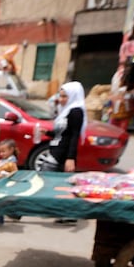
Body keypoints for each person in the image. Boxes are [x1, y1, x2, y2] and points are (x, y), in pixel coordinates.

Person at [40, 81, 87, 224]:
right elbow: (62, 133)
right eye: (60, 96)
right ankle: (64, 213)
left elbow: (74, 136)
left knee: (47, 182)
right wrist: (47, 132)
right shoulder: (65, 110)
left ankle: (69, 214)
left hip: (62, 155)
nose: (61, 99)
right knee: (56, 184)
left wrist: (70, 158)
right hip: (55, 151)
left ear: (73, 95)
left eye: (65, 96)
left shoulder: (76, 111)